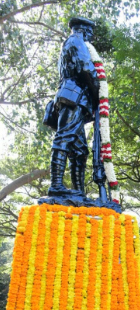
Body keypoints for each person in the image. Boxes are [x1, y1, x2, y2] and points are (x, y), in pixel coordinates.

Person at [50, 17, 99, 197]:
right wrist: (99, 92)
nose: (91, 37)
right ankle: (56, 184)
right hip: (73, 95)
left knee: (79, 150)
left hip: (78, 98)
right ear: (83, 30)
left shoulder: (71, 42)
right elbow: (85, 67)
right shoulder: (76, 40)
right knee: (64, 138)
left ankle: (78, 191)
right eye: (90, 33)